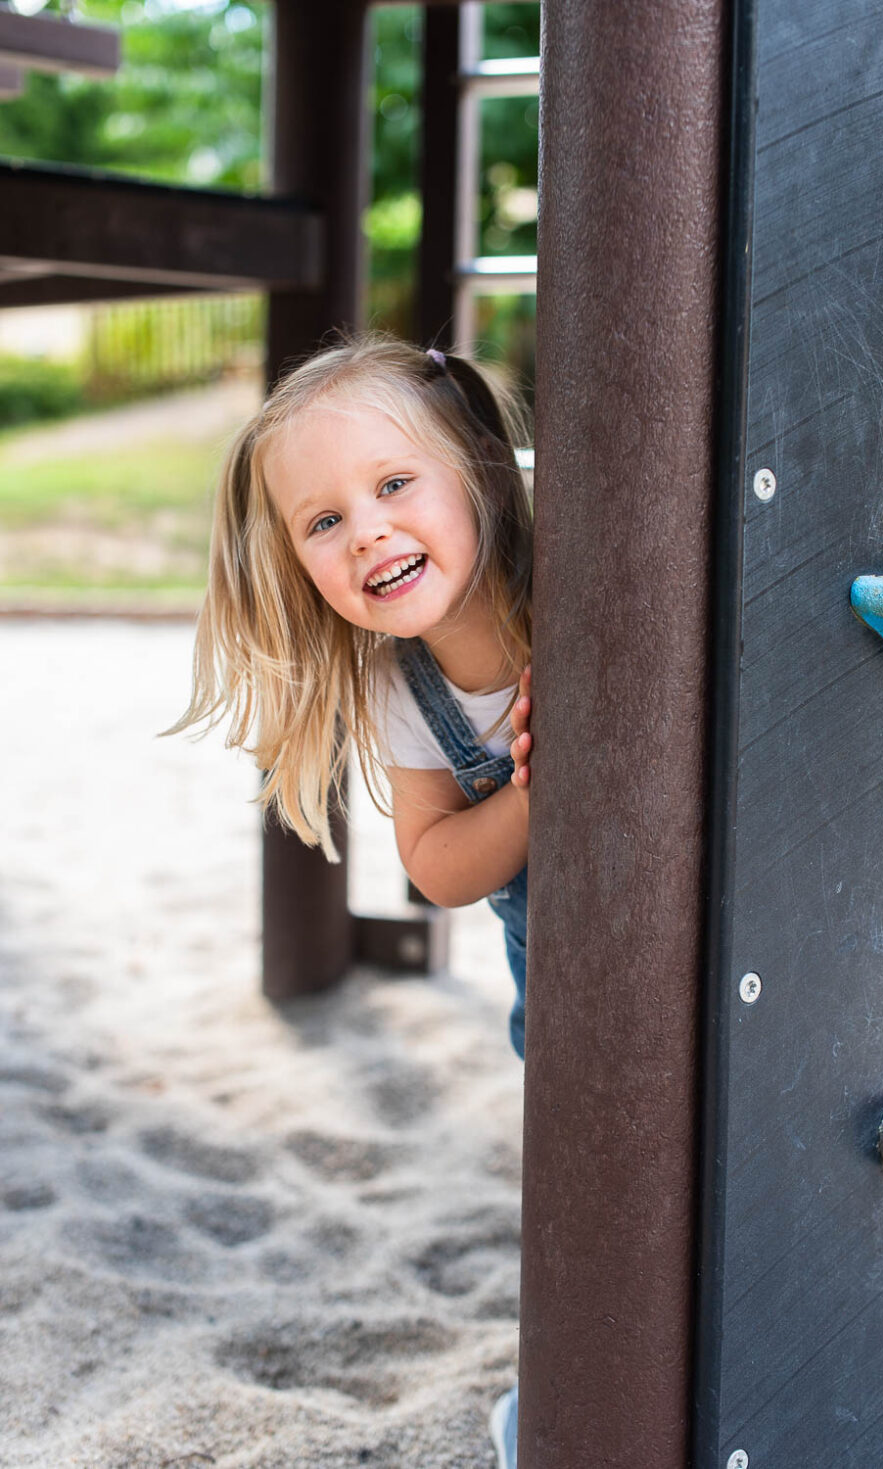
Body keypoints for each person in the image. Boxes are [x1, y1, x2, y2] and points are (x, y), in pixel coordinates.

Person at [170, 332, 531, 1469]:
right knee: (594, 1135)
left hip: (724, 886)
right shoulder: (399, 682)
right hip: (564, 953)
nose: (366, 527)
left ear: (475, 470)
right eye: (323, 520)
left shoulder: (580, 550)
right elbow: (434, 862)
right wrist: (536, 789)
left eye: (391, 484)